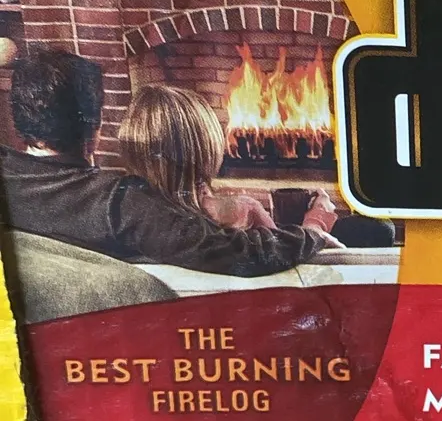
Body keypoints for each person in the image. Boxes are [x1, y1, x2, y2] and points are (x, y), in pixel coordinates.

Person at [0, 49, 339, 276]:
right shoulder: (119, 202)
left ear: (18, 121)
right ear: (95, 127)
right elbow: (241, 254)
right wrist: (314, 229)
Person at [118, 83, 340, 243]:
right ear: (206, 148)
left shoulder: (125, 215)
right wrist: (316, 223)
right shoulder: (218, 230)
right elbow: (281, 256)